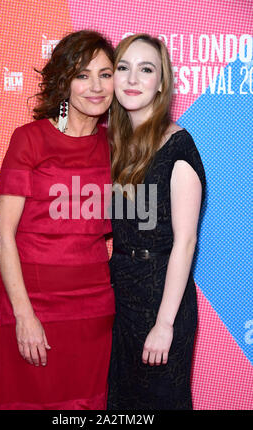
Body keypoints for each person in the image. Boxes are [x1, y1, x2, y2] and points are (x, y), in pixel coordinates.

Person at [0, 30, 115, 410]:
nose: (96, 86)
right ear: (64, 82)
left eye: (105, 74)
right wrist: (24, 315)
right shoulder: (29, 139)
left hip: (92, 310)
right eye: (83, 75)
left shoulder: (117, 147)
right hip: (30, 303)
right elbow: (2, 235)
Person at [107, 34, 206, 410]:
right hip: (120, 296)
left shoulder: (178, 146)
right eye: (123, 68)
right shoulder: (114, 145)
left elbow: (186, 242)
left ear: (161, 82)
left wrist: (164, 325)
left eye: (145, 69)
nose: (132, 79)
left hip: (161, 298)